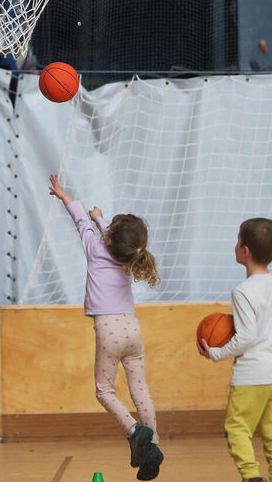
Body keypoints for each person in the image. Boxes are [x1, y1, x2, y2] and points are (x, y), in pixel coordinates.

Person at [47, 174, 164, 481]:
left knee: (104, 390)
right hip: (132, 329)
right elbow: (116, 240)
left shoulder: (96, 250)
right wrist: (102, 220)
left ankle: (135, 431)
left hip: (109, 329)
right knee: (142, 392)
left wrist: (66, 198)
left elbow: (80, 224)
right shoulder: (130, 258)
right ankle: (154, 445)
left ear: (109, 240)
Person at [197, 218, 272, 482]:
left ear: (244, 250)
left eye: (238, 241)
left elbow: (247, 336)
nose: (235, 245)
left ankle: (251, 477)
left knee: (237, 429)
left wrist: (215, 353)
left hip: (252, 375)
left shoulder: (243, 291)